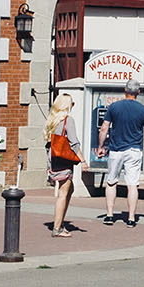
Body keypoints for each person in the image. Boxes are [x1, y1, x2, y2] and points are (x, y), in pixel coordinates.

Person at [97, 79, 144, 227]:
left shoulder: (114, 107)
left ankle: (110, 215)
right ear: (138, 92)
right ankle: (131, 218)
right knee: (132, 185)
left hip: (116, 150)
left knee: (111, 182)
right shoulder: (143, 110)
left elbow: (104, 127)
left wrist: (101, 146)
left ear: (125, 90)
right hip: (134, 150)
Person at [46, 93, 83, 237]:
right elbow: (74, 143)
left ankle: (59, 223)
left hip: (54, 161)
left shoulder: (52, 120)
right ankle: (57, 228)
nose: (72, 107)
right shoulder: (68, 120)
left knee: (69, 189)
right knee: (63, 193)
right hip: (64, 161)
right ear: (66, 105)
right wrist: (83, 160)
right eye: (71, 104)